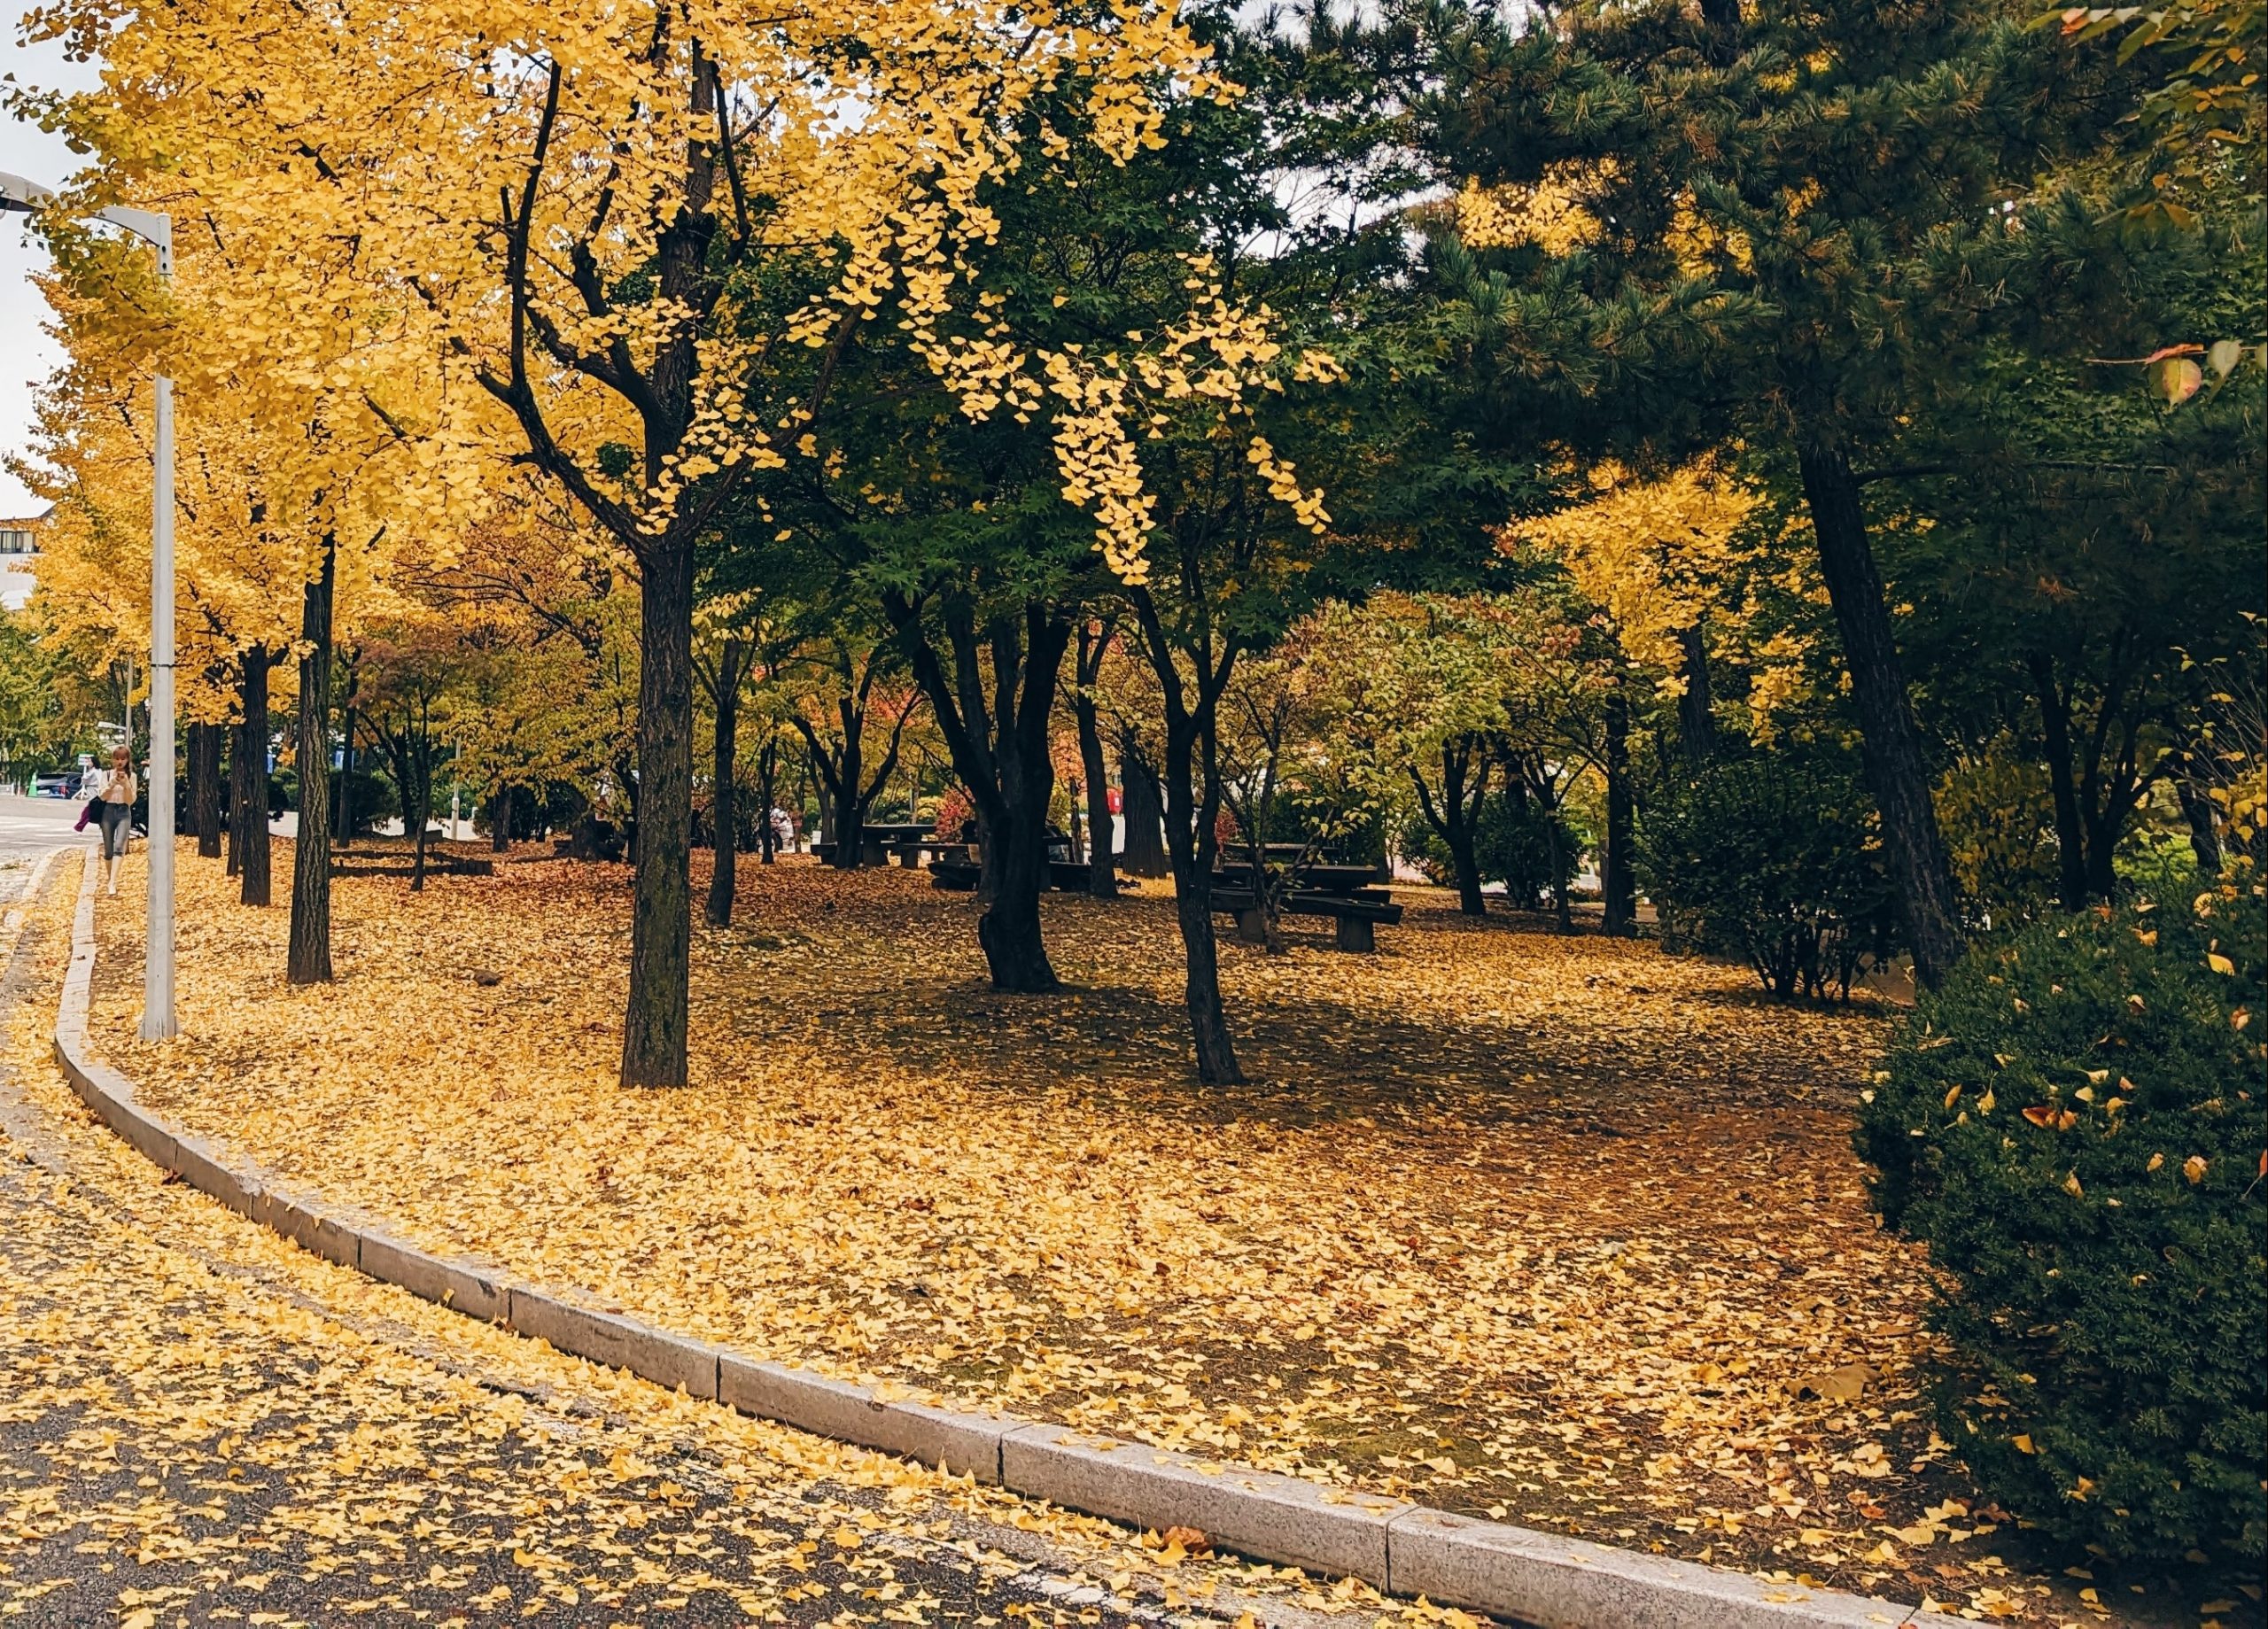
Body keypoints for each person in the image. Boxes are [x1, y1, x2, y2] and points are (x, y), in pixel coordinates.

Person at [90, 745, 136, 896]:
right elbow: (102, 796)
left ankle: (112, 883)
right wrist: (112, 783)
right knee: (109, 850)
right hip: (107, 812)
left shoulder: (132, 776)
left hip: (124, 811)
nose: (120, 762)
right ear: (112, 760)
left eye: (123, 758)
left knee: (119, 846)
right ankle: (111, 879)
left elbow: (131, 801)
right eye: (117, 758)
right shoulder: (106, 774)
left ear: (127, 760)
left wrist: (126, 785)